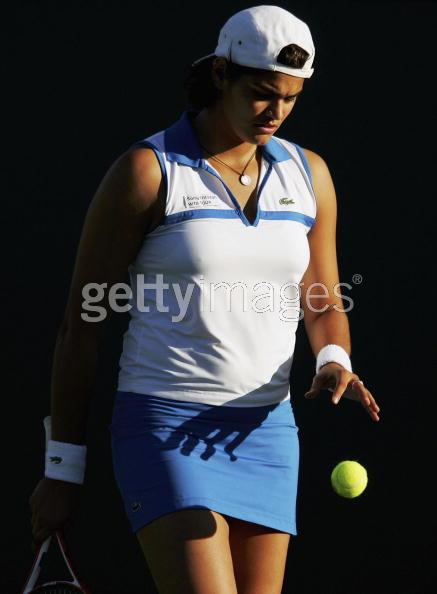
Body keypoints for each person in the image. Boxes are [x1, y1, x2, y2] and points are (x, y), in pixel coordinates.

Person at [29, 5, 381, 594]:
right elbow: (81, 326)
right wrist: (62, 467)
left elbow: (321, 298)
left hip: (268, 431)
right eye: (262, 93)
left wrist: (333, 361)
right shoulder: (146, 171)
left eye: (292, 98)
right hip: (165, 425)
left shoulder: (309, 174)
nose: (276, 112)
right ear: (221, 74)